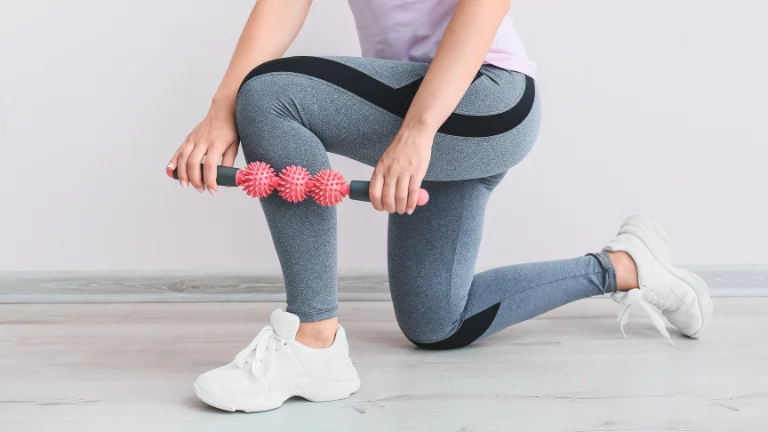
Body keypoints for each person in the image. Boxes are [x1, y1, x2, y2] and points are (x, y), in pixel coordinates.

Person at [166, 0, 713, 413]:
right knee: (436, 322)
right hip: (422, 105)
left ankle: (313, 342)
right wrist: (220, 111)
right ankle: (624, 267)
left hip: (483, 96)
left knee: (269, 92)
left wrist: (419, 131)